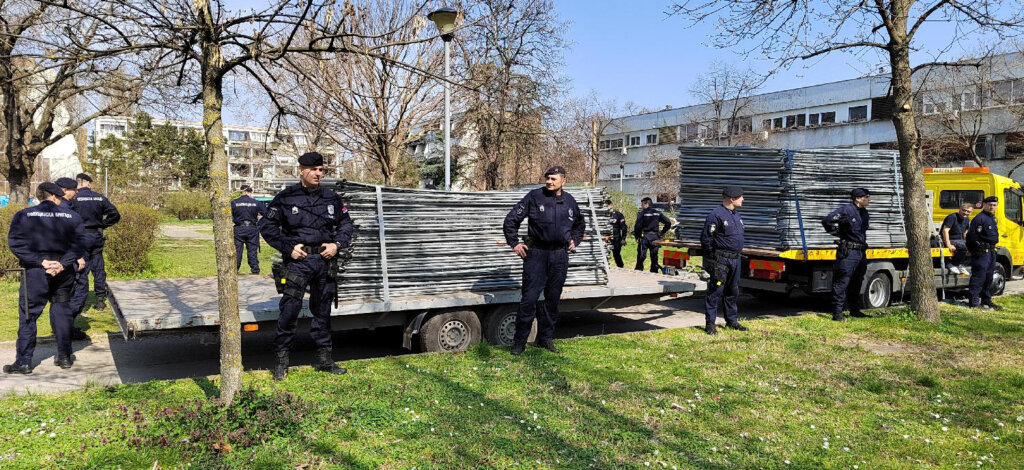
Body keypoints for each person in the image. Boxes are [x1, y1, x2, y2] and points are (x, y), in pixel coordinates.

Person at [259, 151, 354, 380]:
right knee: (289, 311)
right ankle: (281, 363)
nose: (318, 173)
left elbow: (346, 225)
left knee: (322, 312)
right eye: (313, 169)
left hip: (324, 261)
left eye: (321, 170)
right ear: (301, 170)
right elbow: (267, 226)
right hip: (297, 263)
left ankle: (324, 360)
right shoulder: (286, 197)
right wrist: (287, 247)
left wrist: (337, 245)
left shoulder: (331, 197)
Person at [502, 165, 586, 356]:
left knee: (552, 301)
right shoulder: (534, 196)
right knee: (529, 300)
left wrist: (575, 240)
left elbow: (580, 224)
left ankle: (545, 339)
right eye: (547, 178)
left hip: (559, 256)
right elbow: (511, 220)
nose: (549, 182)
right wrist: (514, 243)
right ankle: (519, 343)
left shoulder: (570, 201)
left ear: (563, 180)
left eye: (553, 179)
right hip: (537, 255)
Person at [4, 183, 85, 374]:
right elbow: (81, 243)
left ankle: (23, 362)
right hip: (63, 272)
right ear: (56, 196)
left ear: (39, 196)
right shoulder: (72, 216)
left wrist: (41, 262)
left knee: (28, 316)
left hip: (35, 272)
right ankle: (65, 357)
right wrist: (62, 263)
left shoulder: (24, 215)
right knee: (61, 311)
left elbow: (15, 244)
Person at [68, 173, 120, 326]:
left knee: (81, 268)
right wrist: (103, 224)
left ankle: (80, 302)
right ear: (88, 183)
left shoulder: (74, 198)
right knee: (98, 268)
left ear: (78, 183)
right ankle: (100, 300)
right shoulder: (99, 197)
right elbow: (115, 215)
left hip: (80, 237)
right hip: (96, 237)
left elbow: (66, 216)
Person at [700, 186, 748, 335]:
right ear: (732, 199)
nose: (743, 199)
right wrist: (712, 260)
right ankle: (710, 324)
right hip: (721, 260)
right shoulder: (716, 215)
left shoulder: (736, 215)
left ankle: (731, 320)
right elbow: (706, 239)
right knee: (715, 292)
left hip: (735, 260)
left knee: (733, 291)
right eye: (741, 197)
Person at [822, 188, 872, 321]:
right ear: (858, 198)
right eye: (866, 197)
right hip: (848, 252)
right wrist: (836, 232)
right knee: (842, 282)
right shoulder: (846, 210)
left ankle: (855, 310)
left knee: (857, 282)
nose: (869, 199)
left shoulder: (864, 213)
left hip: (861, 252)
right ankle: (837, 313)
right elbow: (827, 220)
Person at [966, 196, 1002, 310]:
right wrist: (974, 250)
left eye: (994, 205)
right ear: (984, 205)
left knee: (989, 276)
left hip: (991, 251)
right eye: (990, 204)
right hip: (981, 251)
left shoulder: (992, 218)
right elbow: (971, 237)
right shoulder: (979, 218)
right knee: (979, 276)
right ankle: (974, 302)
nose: (992, 207)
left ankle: (986, 300)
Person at [231, 184, 266, 274]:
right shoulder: (256, 202)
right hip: (252, 229)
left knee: (237, 251)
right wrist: (260, 223)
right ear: (248, 192)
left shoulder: (234, 202)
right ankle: (255, 270)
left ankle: (234, 270)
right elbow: (267, 214)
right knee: (252, 250)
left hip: (239, 229)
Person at [633, 197, 672, 272]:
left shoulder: (642, 214)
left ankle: (638, 271)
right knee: (654, 256)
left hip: (645, 237)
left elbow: (637, 226)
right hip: (655, 237)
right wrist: (662, 232)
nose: (641, 206)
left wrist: (637, 237)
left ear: (646, 204)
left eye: (642, 204)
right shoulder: (657, 213)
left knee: (641, 256)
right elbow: (668, 222)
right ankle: (654, 271)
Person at [941, 203, 973, 274]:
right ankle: (952, 264)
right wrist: (948, 244)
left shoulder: (966, 219)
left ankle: (962, 265)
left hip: (959, 240)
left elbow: (965, 233)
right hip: (949, 239)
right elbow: (945, 230)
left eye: (968, 211)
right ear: (959, 209)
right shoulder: (952, 217)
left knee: (975, 246)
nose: (965, 213)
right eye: (964, 210)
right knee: (963, 246)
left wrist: (969, 244)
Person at [606, 199, 628, 268]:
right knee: (605, 254)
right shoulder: (602, 214)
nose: (607, 208)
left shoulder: (618, 215)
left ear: (611, 205)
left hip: (616, 238)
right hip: (605, 238)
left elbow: (624, 228)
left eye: (608, 206)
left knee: (616, 254)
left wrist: (623, 239)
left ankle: (621, 268)